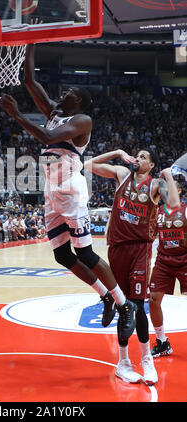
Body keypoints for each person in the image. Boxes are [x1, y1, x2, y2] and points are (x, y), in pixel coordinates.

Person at [0, 43, 137, 344]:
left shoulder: (81, 121)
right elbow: (30, 81)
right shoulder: (54, 114)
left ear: (80, 101)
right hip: (51, 189)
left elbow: (47, 136)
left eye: (70, 92)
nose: (63, 94)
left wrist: (18, 115)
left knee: (84, 252)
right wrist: (32, 41)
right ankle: (105, 296)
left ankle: (125, 305)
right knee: (62, 254)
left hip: (71, 188)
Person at [85, 149, 180, 385]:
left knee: (137, 305)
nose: (137, 159)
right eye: (136, 156)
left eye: (144, 157)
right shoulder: (121, 173)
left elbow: (175, 204)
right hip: (117, 248)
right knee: (123, 306)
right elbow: (88, 164)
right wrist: (117, 152)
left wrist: (168, 175)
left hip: (140, 248)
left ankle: (147, 358)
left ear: (151, 165)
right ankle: (123, 363)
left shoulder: (156, 184)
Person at [149, 180, 186, 357]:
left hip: (185, 260)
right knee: (153, 300)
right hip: (163, 261)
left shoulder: (185, 210)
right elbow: (150, 235)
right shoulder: (157, 212)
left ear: (178, 190)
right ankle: (162, 343)